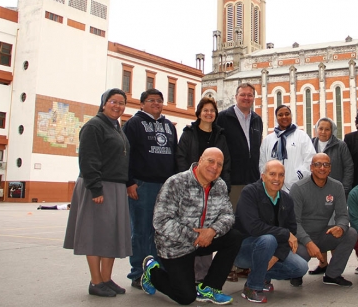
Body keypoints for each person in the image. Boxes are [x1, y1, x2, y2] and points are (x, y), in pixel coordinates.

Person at [141, 148, 242, 305]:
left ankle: (209, 287)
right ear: (200, 160)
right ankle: (152, 272)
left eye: (219, 164)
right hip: (175, 245)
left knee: (234, 237)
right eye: (211, 161)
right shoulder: (176, 182)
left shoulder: (220, 185)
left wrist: (212, 231)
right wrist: (195, 237)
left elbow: (228, 215)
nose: (215, 167)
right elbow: (161, 221)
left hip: (204, 239)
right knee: (186, 297)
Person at [64, 88, 132, 297]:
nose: (117, 106)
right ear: (104, 104)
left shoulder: (116, 127)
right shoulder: (94, 126)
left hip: (116, 187)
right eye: (113, 101)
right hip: (99, 186)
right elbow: (88, 159)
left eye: (121, 103)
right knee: (95, 235)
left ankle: (106, 279)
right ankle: (95, 281)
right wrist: (95, 188)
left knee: (110, 235)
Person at [123, 88, 178, 289]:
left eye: (159, 100)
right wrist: (129, 182)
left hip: (165, 187)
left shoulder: (169, 126)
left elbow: (174, 156)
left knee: (161, 231)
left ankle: (158, 272)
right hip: (142, 185)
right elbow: (125, 154)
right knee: (140, 231)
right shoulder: (134, 124)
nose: (156, 103)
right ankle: (138, 272)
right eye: (151, 100)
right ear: (142, 104)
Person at [234, 160, 308, 303]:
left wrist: (276, 256)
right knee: (268, 239)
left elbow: (292, 230)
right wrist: (285, 234)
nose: (277, 179)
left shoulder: (286, 199)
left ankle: (261, 276)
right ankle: (252, 287)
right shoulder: (250, 192)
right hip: (243, 251)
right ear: (263, 176)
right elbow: (254, 227)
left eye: (281, 175)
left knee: (301, 267)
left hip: (271, 249)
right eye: (272, 174)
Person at [176, 97, 231, 283]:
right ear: (199, 113)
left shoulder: (220, 136)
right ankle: (185, 273)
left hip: (212, 190)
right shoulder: (188, 134)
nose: (209, 113)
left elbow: (226, 163)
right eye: (205, 110)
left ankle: (203, 276)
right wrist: (187, 183)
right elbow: (181, 158)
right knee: (190, 228)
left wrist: (225, 186)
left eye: (212, 111)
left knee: (207, 228)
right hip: (190, 189)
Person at [289, 153, 357, 287]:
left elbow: (343, 215)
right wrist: (308, 243)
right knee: (300, 260)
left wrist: (341, 227)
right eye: (318, 164)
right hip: (301, 239)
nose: (322, 168)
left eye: (326, 164)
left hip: (323, 235)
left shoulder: (337, 187)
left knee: (351, 233)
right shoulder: (298, 188)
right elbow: (293, 223)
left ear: (330, 168)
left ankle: (332, 275)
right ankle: (295, 273)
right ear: (311, 168)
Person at [216, 83, 263, 208]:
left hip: (253, 180)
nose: (246, 98)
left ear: (253, 98)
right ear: (236, 97)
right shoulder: (222, 118)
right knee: (233, 218)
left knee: (251, 219)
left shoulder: (257, 120)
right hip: (232, 181)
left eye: (250, 95)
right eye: (242, 95)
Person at [259, 105, 315, 192]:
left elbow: (310, 160)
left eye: (287, 114)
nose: (284, 117)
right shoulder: (268, 140)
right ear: (276, 118)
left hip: (297, 186)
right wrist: (268, 179)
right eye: (280, 115)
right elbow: (262, 163)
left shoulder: (302, 136)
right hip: (273, 186)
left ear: (291, 116)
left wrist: (297, 176)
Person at [312, 117, 353, 199]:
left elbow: (349, 167)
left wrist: (343, 190)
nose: (323, 132)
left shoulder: (340, 146)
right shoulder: (310, 144)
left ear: (332, 131)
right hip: (313, 191)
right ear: (317, 129)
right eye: (321, 128)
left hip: (335, 192)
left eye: (327, 129)